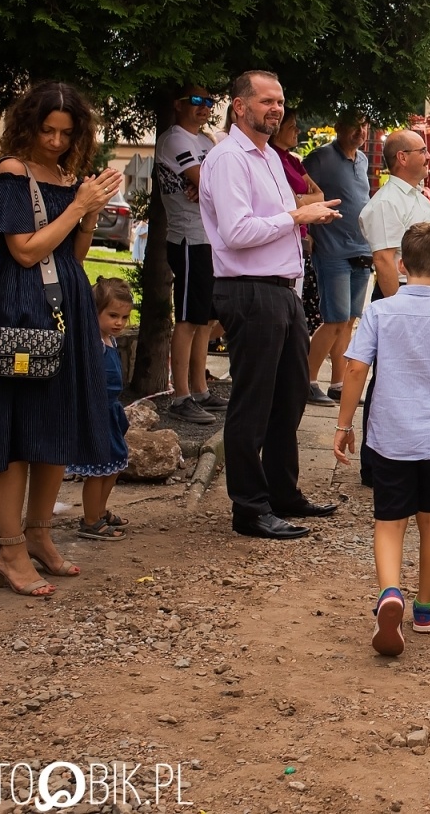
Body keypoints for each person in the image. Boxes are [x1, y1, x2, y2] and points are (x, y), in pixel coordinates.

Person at [0, 82, 122, 596]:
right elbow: (26, 252)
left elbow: (73, 258)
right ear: (29, 126)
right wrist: (76, 204)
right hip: (22, 309)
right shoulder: (12, 171)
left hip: (65, 306)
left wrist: (91, 211)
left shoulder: (66, 176)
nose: (56, 142)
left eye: (66, 132)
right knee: (16, 431)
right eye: (47, 130)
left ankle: (39, 536)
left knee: (55, 424)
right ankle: (9, 547)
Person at [199, 70, 343, 540]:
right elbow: (238, 233)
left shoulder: (269, 158)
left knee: (289, 398)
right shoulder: (227, 160)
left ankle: (283, 493)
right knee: (254, 403)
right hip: (249, 289)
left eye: (280, 101)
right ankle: (250, 507)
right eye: (266, 101)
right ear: (240, 106)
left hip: (282, 291)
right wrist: (298, 215)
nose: (276, 109)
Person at [332, 223, 430, 657]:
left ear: (400, 265)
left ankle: (389, 593)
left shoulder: (379, 312)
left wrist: (343, 425)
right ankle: (427, 607)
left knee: (389, 521)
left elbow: (356, 369)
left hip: (390, 437)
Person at [355, 129, 430, 485]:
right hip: (398, 299)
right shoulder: (387, 203)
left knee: (415, 379)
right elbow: (386, 261)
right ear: (402, 158)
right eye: (422, 151)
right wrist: (399, 313)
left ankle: (409, 455)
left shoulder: (420, 198)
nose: (429, 157)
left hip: (424, 298)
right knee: (387, 380)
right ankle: (374, 464)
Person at [154, 87, 227, 426]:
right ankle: (180, 395)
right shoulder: (175, 140)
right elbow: (207, 183)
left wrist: (209, 185)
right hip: (187, 239)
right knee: (186, 318)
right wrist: (207, 184)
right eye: (196, 101)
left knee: (205, 319)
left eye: (209, 102)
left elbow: (220, 183)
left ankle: (199, 389)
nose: (204, 107)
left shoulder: (208, 142)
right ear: (178, 104)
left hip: (209, 239)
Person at [303, 115, 372, 402]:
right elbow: (297, 193)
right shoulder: (319, 158)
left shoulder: (363, 160)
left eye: (365, 125)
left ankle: (338, 383)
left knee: (349, 321)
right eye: (354, 125)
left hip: (361, 250)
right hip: (331, 250)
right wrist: (307, 232)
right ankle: (305, 380)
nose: (360, 131)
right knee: (334, 319)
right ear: (339, 127)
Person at [72, 277, 135, 541]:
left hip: (111, 410)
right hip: (96, 411)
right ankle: (90, 519)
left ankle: (98, 510)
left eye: (124, 317)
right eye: (112, 315)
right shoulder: (93, 343)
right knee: (98, 467)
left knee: (115, 463)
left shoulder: (110, 339)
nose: (119, 322)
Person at [268, 110, 327, 357]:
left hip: (299, 237)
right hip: (283, 235)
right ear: (278, 129)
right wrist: (302, 201)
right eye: (292, 126)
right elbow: (289, 204)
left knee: (297, 302)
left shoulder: (292, 160)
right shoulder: (271, 158)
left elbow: (320, 196)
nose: (297, 131)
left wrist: (299, 200)